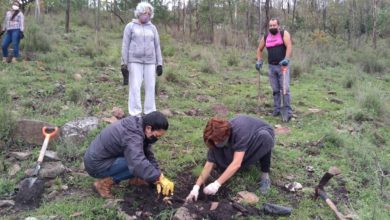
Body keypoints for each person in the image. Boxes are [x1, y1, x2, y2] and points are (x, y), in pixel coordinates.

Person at [83, 111, 174, 198]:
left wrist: (158, 175)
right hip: (95, 165)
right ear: (149, 128)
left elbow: (148, 154)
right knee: (135, 165)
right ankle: (102, 184)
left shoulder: (139, 127)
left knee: (139, 160)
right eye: (157, 136)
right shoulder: (132, 135)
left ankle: (136, 179)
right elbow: (137, 163)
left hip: (105, 157)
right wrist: (157, 178)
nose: (157, 139)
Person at [185, 115, 275, 202]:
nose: (215, 143)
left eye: (218, 141)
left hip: (260, 134)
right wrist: (196, 187)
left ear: (226, 135)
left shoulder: (240, 133)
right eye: (214, 141)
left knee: (265, 138)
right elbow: (209, 164)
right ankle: (228, 167)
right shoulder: (216, 137)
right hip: (239, 139)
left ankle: (265, 176)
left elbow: (236, 163)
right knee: (220, 150)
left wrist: (216, 184)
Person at [121, 2, 163, 116]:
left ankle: (150, 112)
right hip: (134, 61)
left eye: (149, 13)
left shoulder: (153, 28)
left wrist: (159, 63)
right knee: (135, 86)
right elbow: (125, 45)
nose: (147, 15)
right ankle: (135, 113)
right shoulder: (130, 26)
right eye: (145, 13)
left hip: (150, 61)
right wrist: (124, 63)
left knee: (150, 86)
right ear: (139, 12)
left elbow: (157, 46)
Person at [256, 18, 293, 120]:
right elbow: (259, 49)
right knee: (275, 90)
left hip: (283, 66)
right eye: (271, 25)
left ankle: (287, 112)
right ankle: (277, 109)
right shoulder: (266, 37)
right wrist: (259, 60)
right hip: (271, 67)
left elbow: (289, 45)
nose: (272, 27)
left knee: (285, 89)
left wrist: (286, 59)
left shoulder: (283, 34)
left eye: (274, 25)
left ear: (278, 26)